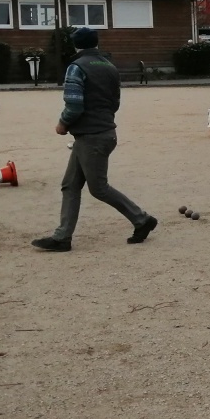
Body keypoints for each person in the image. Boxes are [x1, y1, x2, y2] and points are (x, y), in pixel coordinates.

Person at [32, 27, 157, 252]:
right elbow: (115, 102)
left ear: (76, 45)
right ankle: (62, 237)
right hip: (103, 132)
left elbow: (74, 104)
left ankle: (142, 219)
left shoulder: (76, 67)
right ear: (96, 42)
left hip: (90, 136)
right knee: (70, 185)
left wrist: (63, 123)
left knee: (98, 188)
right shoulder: (109, 66)